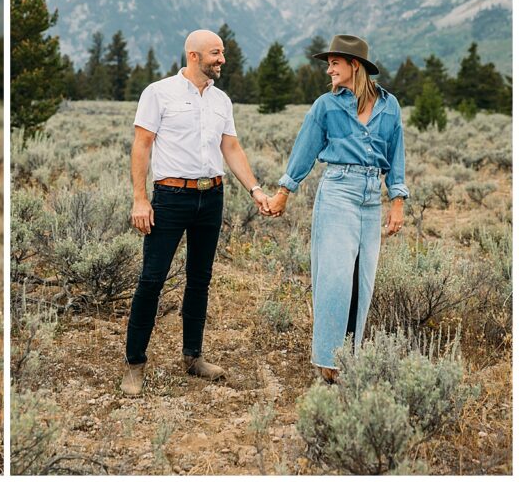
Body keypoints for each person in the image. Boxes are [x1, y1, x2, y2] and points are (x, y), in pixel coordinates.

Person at [121, 29, 271, 396]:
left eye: (222, 53)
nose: (222, 60)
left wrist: (254, 188)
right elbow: (142, 145)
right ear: (193, 56)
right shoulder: (158, 93)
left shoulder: (222, 101)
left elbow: (231, 147)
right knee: (152, 280)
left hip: (211, 197)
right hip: (171, 197)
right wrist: (141, 199)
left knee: (200, 279)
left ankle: (193, 356)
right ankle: (134, 364)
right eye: (216, 53)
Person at [265, 34, 407, 384]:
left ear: (353, 66)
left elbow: (397, 156)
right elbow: (305, 149)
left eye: (334, 63)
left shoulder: (390, 106)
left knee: (363, 278)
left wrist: (398, 201)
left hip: (372, 195)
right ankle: (328, 362)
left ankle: (350, 356)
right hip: (339, 191)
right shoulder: (326, 106)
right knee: (334, 276)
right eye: (328, 63)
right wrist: (284, 190)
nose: (329, 69)